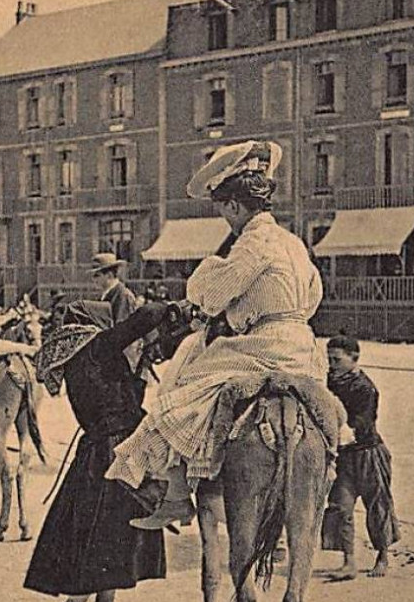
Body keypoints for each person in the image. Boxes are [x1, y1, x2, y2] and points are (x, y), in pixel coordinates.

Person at [107, 140, 325, 530]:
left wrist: (208, 274)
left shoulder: (252, 242)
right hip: (304, 349)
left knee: (177, 392)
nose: (227, 219)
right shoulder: (293, 242)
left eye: (224, 210)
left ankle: (175, 494)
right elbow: (312, 296)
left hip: (260, 346)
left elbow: (210, 296)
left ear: (235, 206)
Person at [25, 299, 170, 602]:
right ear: (96, 323)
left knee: (116, 531)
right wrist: (177, 307)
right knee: (106, 536)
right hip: (113, 452)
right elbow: (147, 316)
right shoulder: (96, 348)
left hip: (101, 450)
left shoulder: (78, 357)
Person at [321, 335, 400, 577]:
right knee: (340, 507)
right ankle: (349, 561)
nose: (331, 364)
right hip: (343, 458)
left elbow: (363, 423)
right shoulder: (327, 383)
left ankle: (383, 556)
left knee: (378, 506)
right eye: (329, 359)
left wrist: (338, 434)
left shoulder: (365, 388)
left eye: (337, 359)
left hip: (369, 454)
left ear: (354, 359)